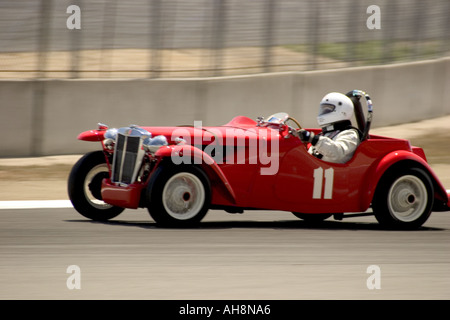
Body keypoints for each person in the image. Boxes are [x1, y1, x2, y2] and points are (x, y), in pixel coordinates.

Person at [298, 92, 361, 164]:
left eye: (327, 110)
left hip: (335, 173)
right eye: (323, 109)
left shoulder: (350, 134)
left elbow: (337, 152)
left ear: (343, 112)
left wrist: (313, 139)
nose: (324, 112)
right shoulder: (325, 134)